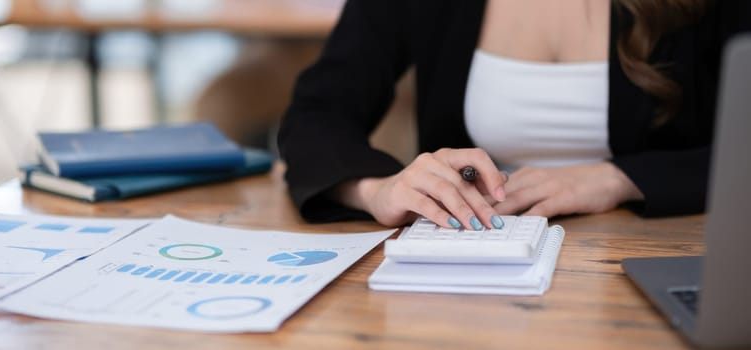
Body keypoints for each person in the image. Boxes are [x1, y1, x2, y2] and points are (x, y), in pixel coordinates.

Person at [277, 0, 751, 230]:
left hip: (662, 255)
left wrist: (619, 179)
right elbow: (316, 113)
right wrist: (375, 188)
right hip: (478, 269)